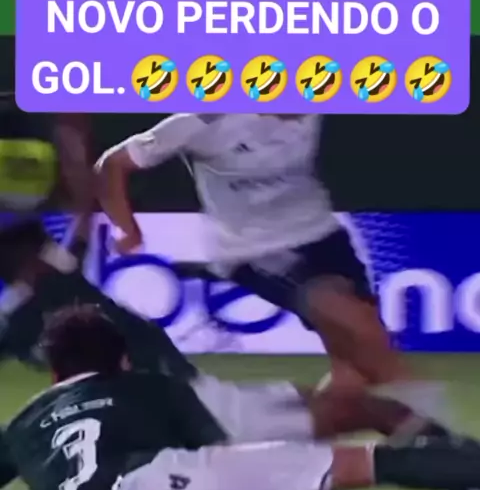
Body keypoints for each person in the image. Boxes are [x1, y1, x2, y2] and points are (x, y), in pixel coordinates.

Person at [2, 304, 480, 490]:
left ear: (54, 372)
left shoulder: (20, 428)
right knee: (369, 462)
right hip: (179, 478)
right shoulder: (149, 385)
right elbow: (212, 446)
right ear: (122, 361)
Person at [94, 112, 451, 423]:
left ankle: (284, 454)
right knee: (361, 331)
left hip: (325, 236)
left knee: (352, 374)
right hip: (254, 250)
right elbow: (112, 164)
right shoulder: (205, 120)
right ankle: (441, 438)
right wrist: (127, 230)